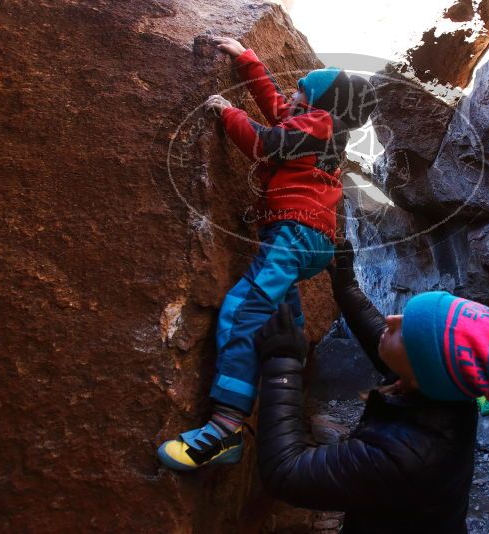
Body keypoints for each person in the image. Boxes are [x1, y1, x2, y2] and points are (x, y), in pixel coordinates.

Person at [157, 37, 378, 471]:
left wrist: (227, 111)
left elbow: (262, 142)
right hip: (304, 240)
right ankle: (289, 404)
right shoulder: (316, 126)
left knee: (243, 310)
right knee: (283, 320)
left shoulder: (318, 126)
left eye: (302, 90)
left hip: (295, 235)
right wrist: (246, 59)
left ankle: (224, 429)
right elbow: (276, 107)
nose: (292, 94)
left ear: (321, 102)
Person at [252, 243, 489, 533]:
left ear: (422, 370)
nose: (391, 319)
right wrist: (347, 289)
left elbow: (285, 473)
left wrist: (282, 363)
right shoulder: (443, 389)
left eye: (405, 330)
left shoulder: (404, 455)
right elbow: (383, 340)